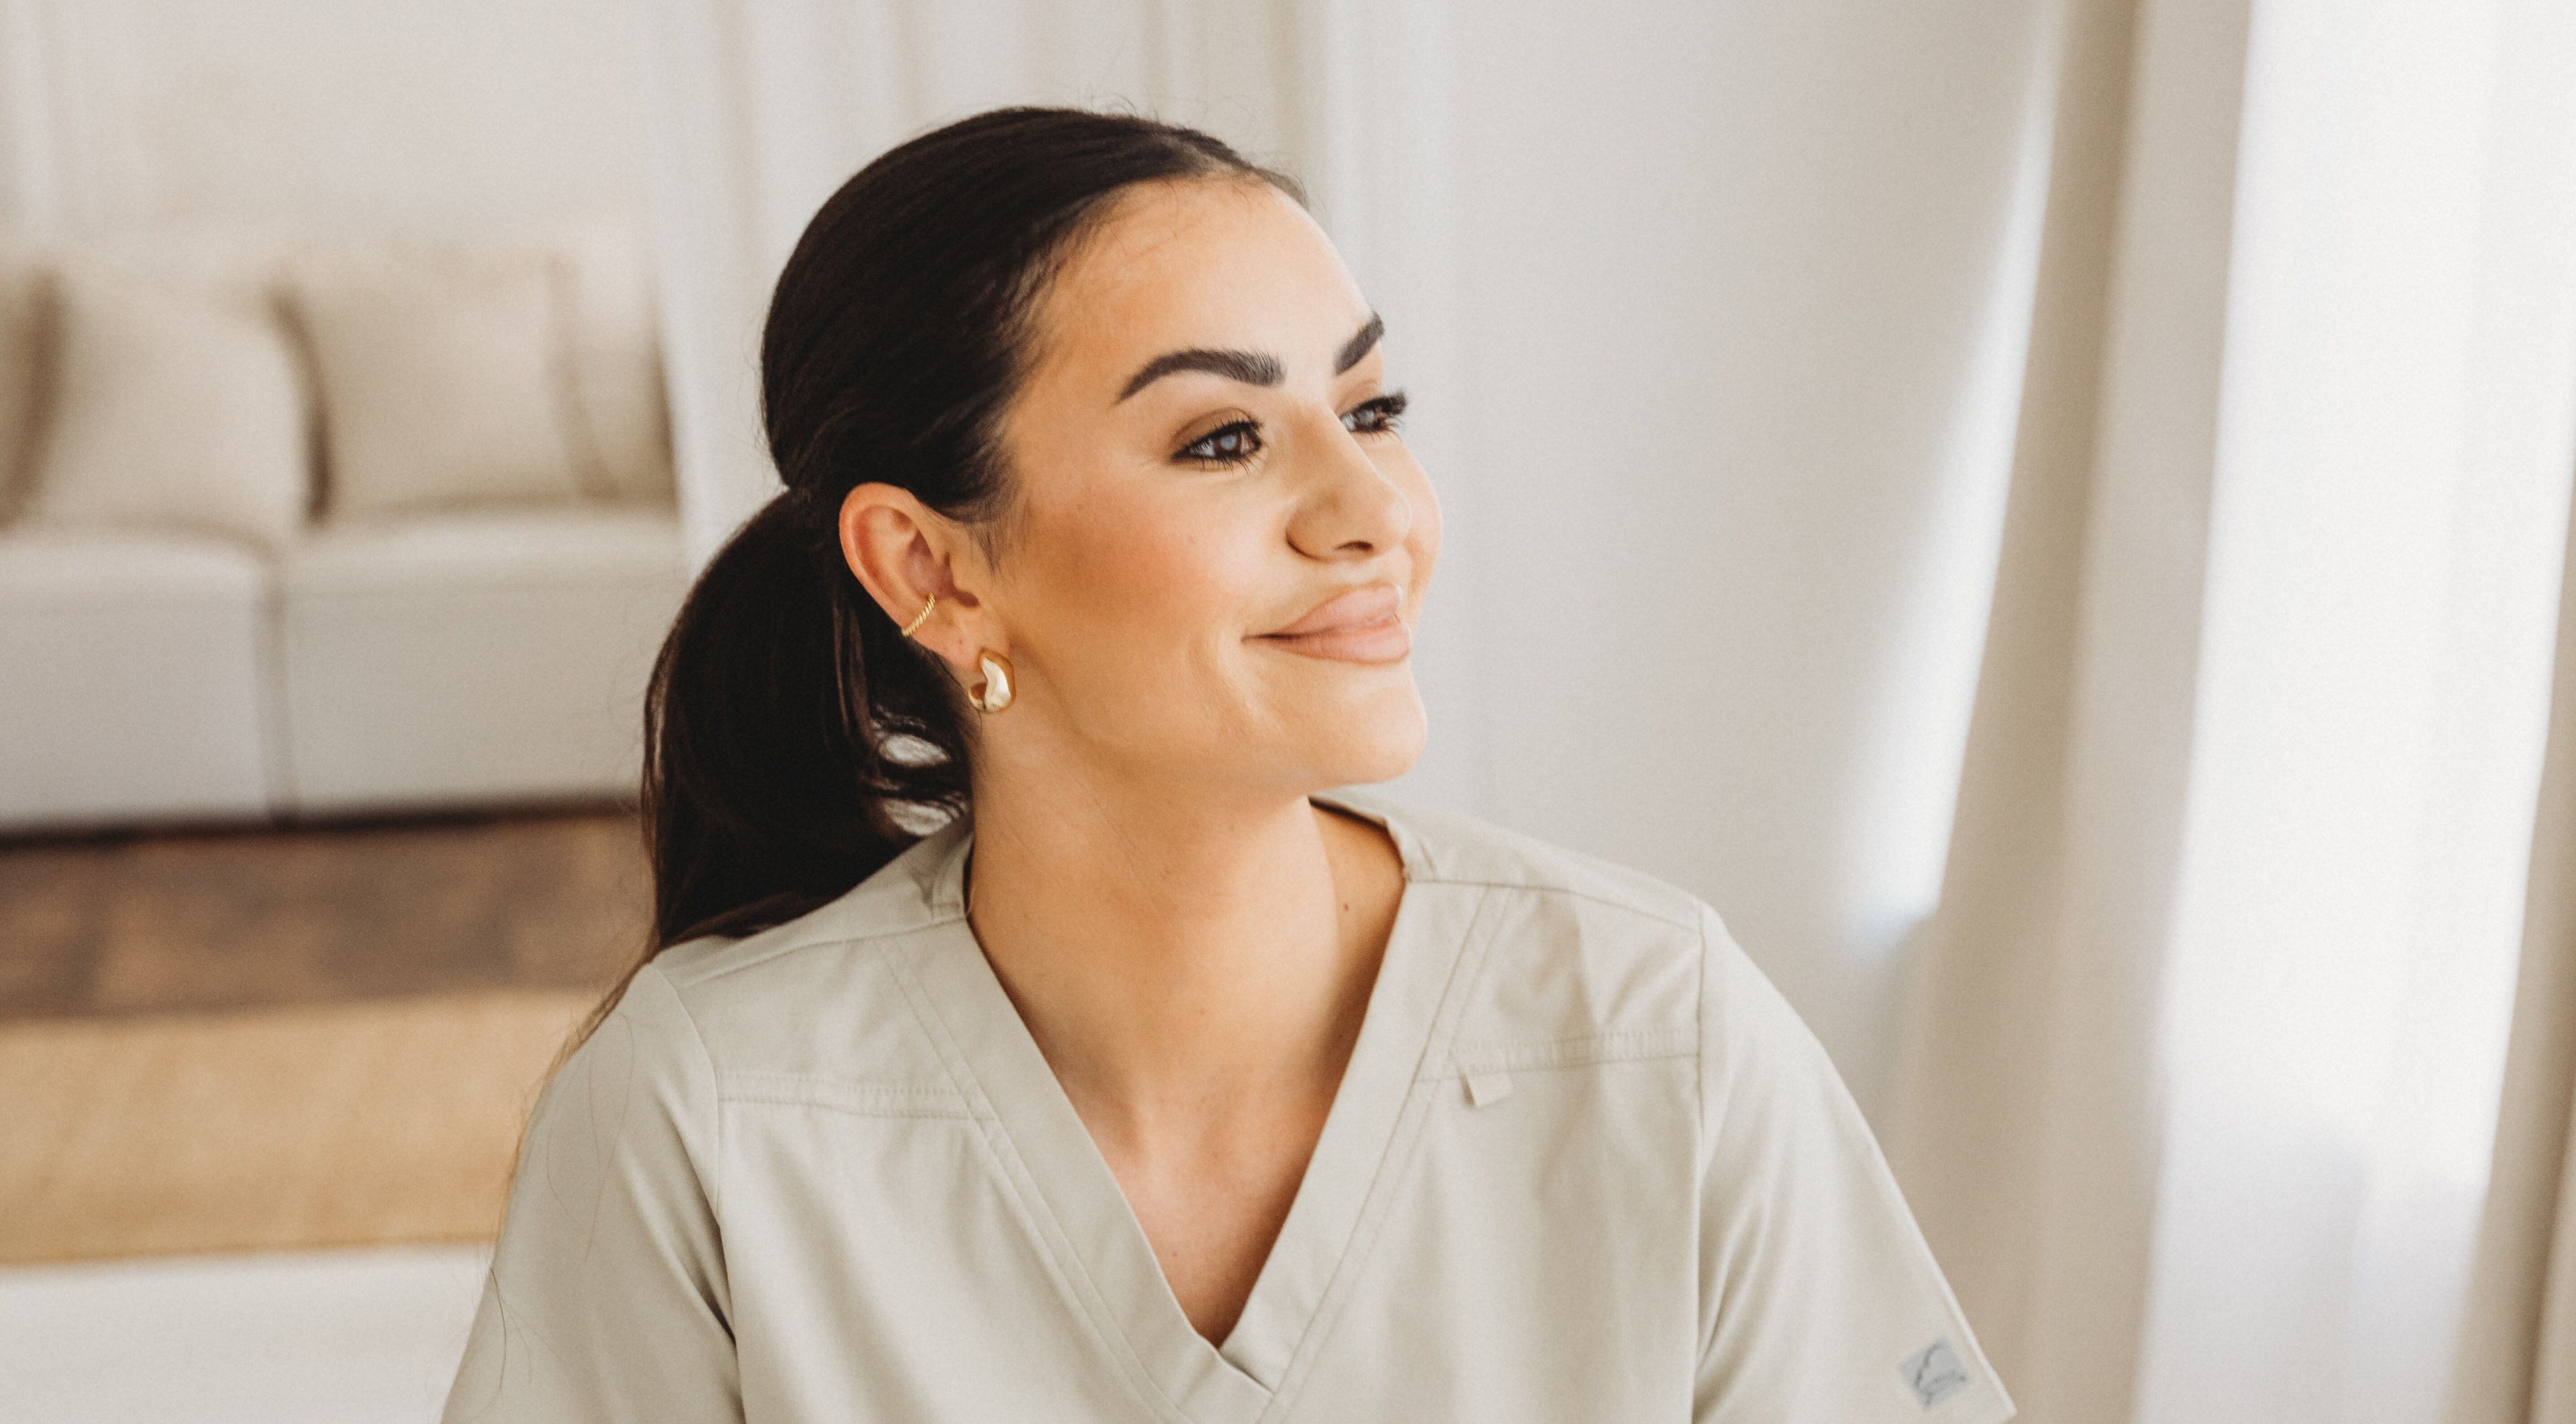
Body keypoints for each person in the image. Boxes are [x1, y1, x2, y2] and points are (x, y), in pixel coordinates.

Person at [442, 107, 2011, 1424]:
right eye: (1224, 440)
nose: (1373, 510)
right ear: (931, 569)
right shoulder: (706, 1113)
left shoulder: (1655, 1033)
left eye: (1370, 407)